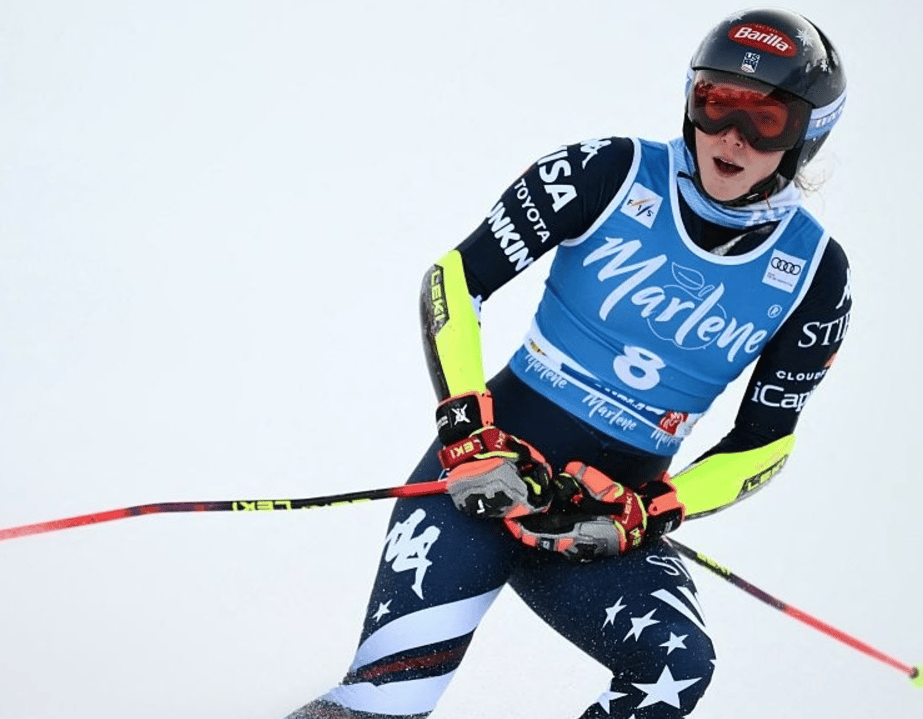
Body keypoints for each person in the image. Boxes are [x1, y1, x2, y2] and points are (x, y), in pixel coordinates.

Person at [283, 8, 851, 718]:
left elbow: (765, 442)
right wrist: (467, 433)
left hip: (597, 522)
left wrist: (652, 511)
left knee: (675, 664)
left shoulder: (813, 273)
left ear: (808, 133)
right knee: (380, 706)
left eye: (765, 118)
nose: (730, 136)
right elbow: (455, 280)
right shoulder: (607, 170)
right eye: (715, 101)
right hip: (482, 478)